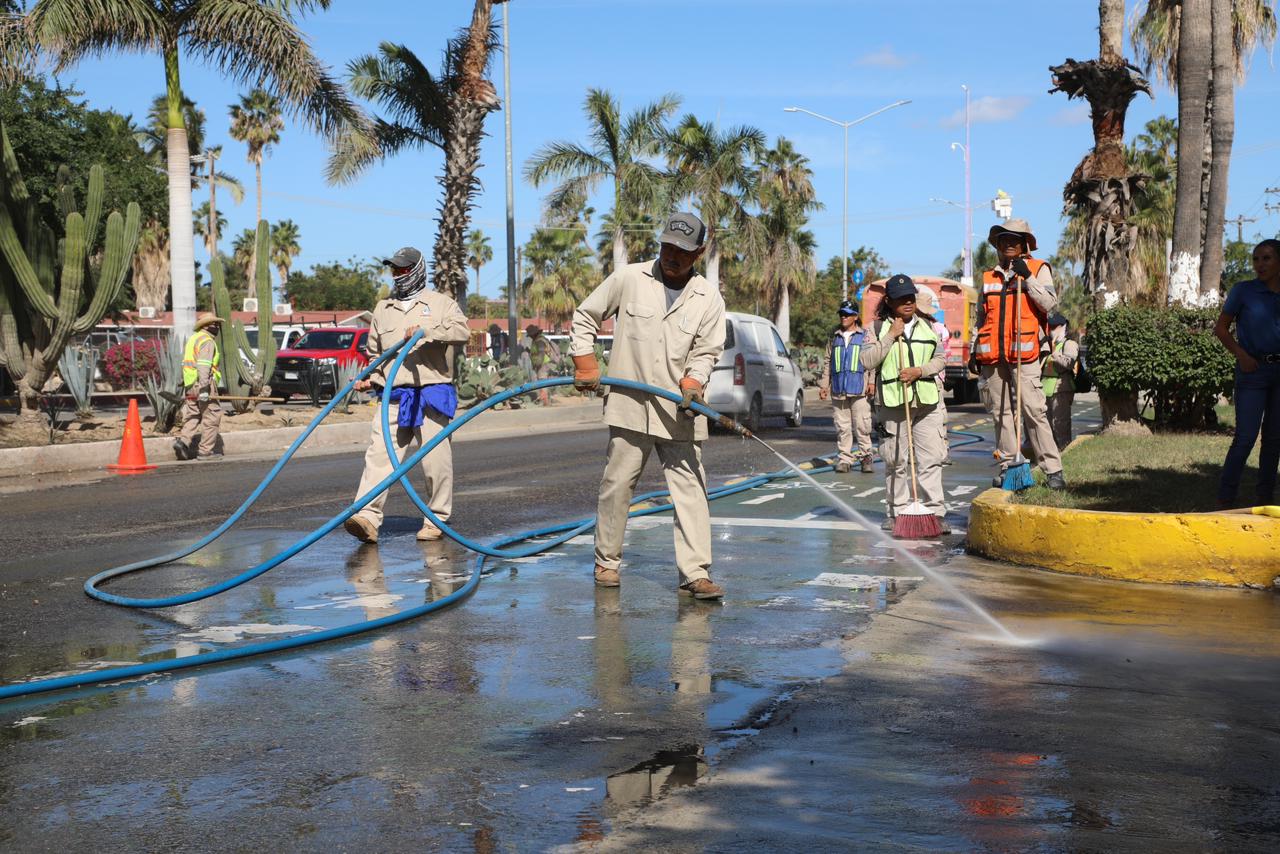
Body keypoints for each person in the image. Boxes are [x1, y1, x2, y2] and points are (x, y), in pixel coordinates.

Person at [570, 211, 727, 600]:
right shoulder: (630, 278)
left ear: (700, 252)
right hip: (630, 403)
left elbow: (708, 349)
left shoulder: (708, 296)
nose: (673, 255)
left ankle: (695, 573)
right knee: (617, 485)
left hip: (680, 408)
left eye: (683, 251)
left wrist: (694, 380)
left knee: (691, 488)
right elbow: (585, 315)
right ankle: (607, 561)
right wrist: (584, 361)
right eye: (668, 247)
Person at [344, 246, 470, 545]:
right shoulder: (383, 309)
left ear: (417, 270)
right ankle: (367, 517)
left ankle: (436, 518)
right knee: (379, 455)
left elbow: (463, 332)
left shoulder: (440, 303)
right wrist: (370, 379)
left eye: (403, 269)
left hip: (431, 393)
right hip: (395, 395)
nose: (398, 274)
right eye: (395, 269)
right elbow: (375, 353)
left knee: (435, 462)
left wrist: (428, 330)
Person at [972, 219, 1066, 490]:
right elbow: (981, 318)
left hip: (1026, 355)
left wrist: (1028, 278)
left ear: (1025, 243)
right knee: (1001, 415)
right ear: (998, 245)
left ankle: (1053, 470)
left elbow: (1049, 304)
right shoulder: (989, 277)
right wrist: (975, 350)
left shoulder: (1038, 269)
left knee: (1034, 411)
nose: (1009, 244)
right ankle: (1009, 468)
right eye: (1004, 239)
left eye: (1015, 239)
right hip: (993, 358)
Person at [861, 275, 949, 533]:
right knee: (896, 461)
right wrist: (890, 336)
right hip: (892, 403)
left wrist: (919, 371)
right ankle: (895, 512)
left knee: (930, 460)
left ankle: (936, 512)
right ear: (889, 301)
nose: (908, 302)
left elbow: (940, 359)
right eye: (901, 298)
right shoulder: (876, 329)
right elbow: (867, 361)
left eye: (910, 297)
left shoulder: (928, 327)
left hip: (927, 403)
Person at [1214, 238, 1280, 509]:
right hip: (1252, 373)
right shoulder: (1243, 291)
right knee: (1245, 437)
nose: (1259, 264)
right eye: (1256, 259)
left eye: (1266, 258)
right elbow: (1220, 329)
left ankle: (1265, 496)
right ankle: (1225, 497)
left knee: (1274, 439)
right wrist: (1241, 355)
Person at [818, 300, 875, 473]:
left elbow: (872, 360)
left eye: (847, 314)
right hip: (838, 389)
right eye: (841, 314)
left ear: (855, 317)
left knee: (862, 426)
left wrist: (872, 381)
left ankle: (866, 457)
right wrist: (824, 385)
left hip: (859, 389)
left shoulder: (864, 336)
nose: (843, 317)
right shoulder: (834, 337)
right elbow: (828, 362)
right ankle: (844, 459)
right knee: (842, 427)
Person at [173, 313, 224, 461]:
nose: (217, 327)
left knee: (193, 415)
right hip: (203, 384)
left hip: (190, 384)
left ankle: (183, 442)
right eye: (215, 324)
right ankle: (205, 452)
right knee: (212, 417)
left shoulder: (193, 339)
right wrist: (204, 389)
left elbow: (188, 363)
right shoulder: (207, 341)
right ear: (206, 326)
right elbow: (203, 366)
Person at [1042, 313, 1079, 452]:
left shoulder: (1070, 344)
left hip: (1061, 390)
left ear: (1063, 327)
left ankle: (1064, 453)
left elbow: (1069, 363)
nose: (1051, 330)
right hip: (1044, 389)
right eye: (1049, 327)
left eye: (1054, 327)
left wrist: (1056, 355)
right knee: (1046, 427)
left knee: (1060, 425)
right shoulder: (1046, 344)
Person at [523, 324, 559, 406]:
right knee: (542, 382)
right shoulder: (537, 340)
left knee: (542, 382)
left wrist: (538, 364)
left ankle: (545, 401)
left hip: (543, 364)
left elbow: (541, 353)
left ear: (533, 334)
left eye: (530, 335)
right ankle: (545, 400)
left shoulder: (539, 340)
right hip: (542, 364)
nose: (530, 337)